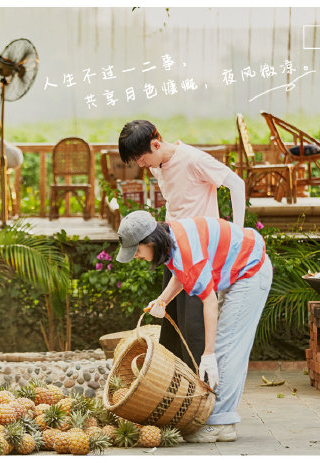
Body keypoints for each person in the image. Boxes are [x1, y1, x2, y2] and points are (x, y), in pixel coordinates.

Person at [115, 210, 272, 443]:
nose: (136, 256)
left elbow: (207, 301)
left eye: (136, 250)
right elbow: (183, 274)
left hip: (250, 272)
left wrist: (208, 354)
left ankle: (221, 424)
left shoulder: (185, 249)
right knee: (223, 347)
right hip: (237, 271)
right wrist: (163, 300)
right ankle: (220, 418)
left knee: (225, 348)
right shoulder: (171, 241)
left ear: (150, 242)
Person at [118, 120, 246, 372]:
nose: (142, 166)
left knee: (195, 329)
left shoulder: (193, 159)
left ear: (156, 144)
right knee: (171, 328)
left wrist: (237, 233)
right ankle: (176, 392)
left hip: (199, 253)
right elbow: (176, 202)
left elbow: (237, 184)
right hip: (173, 250)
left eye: (142, 159)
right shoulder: (158, 167)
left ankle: (206, 398)